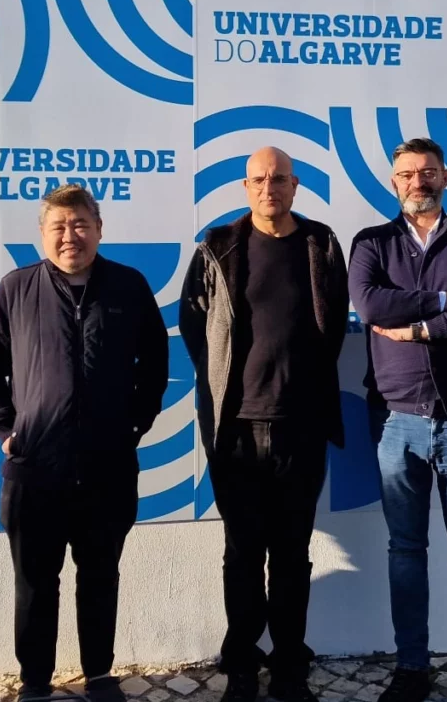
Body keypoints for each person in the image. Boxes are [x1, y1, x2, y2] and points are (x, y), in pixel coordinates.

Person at [0, 184, 169, 702]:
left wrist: (135, 424)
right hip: (35, 469)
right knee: (36, 584)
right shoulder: (16, 288)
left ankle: (99, 675)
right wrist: (4, 427)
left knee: (100, 576)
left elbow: (155, 362)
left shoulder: (128, 286)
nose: (69, 236)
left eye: (80, 224)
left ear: (99, 229)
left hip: (107, 466)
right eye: (58, 227)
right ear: (42, 235)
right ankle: (35, 683)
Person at [179, 147, 349, 702]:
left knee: (293, 552)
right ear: (245, 187)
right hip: (237, 432)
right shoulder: (217, 247)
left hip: (302, 428)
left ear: (295, 186)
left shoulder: (321, 243)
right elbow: (194, 329)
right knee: (243, 552)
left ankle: (290, 663)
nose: (269, 187)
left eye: (279, 179)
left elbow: (336, 326)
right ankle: (243, 663)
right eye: (259, 179)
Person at [347, 139, 447, 702]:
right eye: (407, 174)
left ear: (446, 176)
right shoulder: (371, 242)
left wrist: (421, 328)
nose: (419, 181)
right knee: (405, 550)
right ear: (393, 183)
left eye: (428, 172)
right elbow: (370, 307)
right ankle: (411, 667)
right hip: (397, 420)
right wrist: (445, 299)